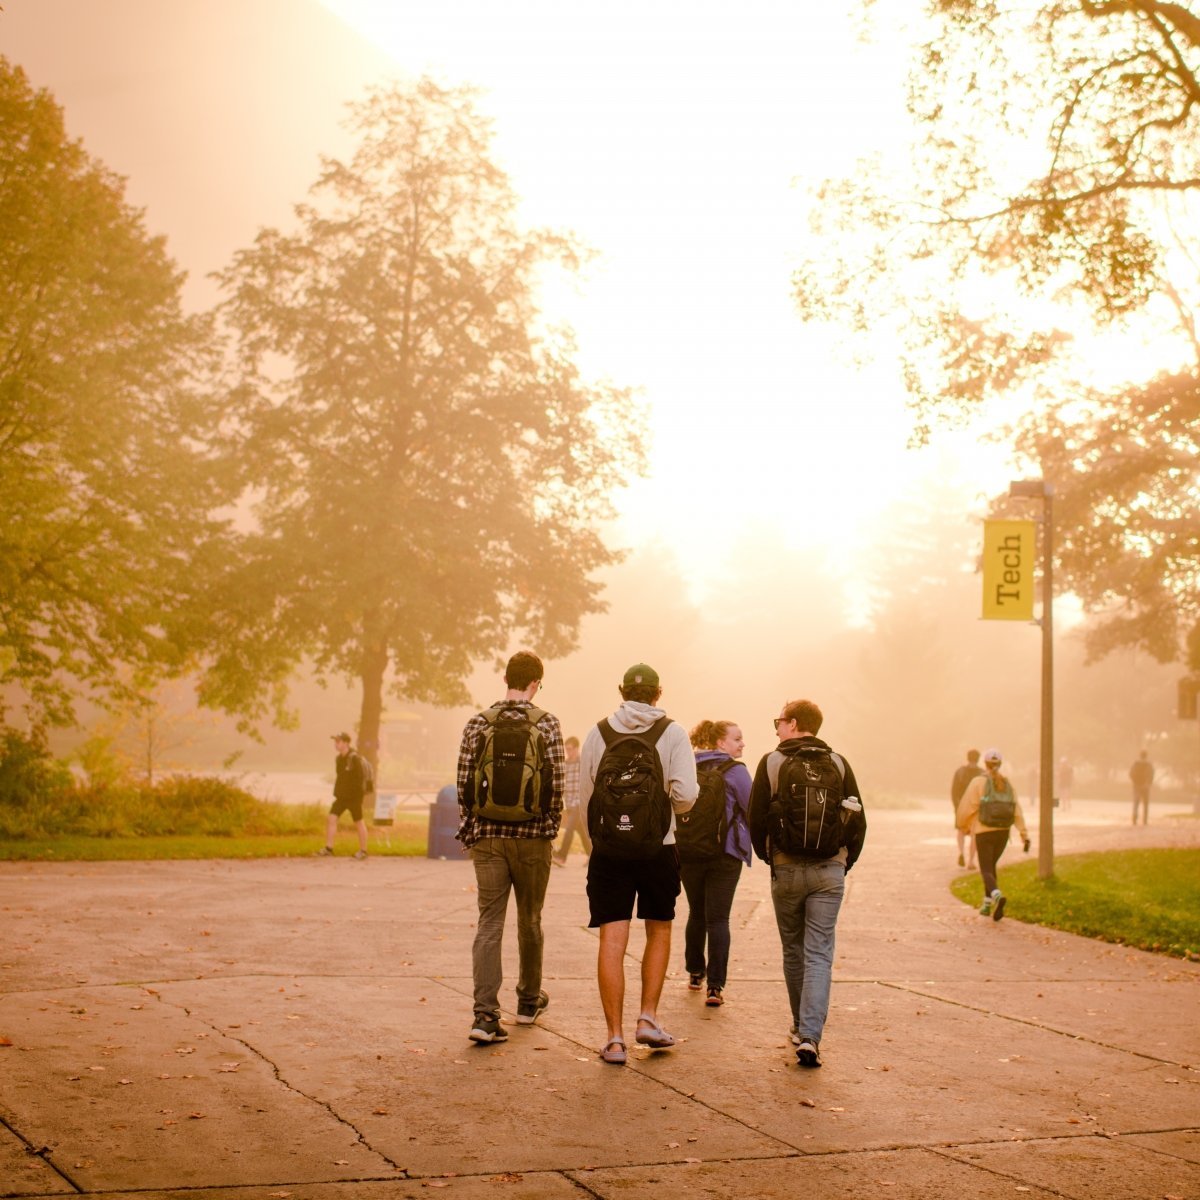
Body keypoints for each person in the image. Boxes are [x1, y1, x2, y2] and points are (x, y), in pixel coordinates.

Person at [580, 663, 698, 1065]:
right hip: (658, 848)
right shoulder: (673, 733)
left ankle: (614, 1040)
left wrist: (600, 836)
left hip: (609, 851)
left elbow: (586, 795)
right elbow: (684, 795)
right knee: (659, 930)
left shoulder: (599, 732)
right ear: (657, 693)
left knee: (612, 940)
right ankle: (647, 1018)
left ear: (622, 691)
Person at [749, 699, 866, 1070]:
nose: (777, 728)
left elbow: (755, 820)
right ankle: (811, 1037)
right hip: (829, 871)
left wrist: (771, 858)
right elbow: (859, 820)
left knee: (793, 950)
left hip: (786, 870)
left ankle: (800, 1027)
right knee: (819, 953)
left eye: (779, 722)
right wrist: (842, 864)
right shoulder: (838, 763)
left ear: (794, 723)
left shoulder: (772, 762)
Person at [455, 650, 564, 1045]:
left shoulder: (477, 724)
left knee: (489, 924)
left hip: (488, 839)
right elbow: (556, 788)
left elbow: (464, 783)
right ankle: (527, 1003)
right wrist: (547, 829)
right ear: (536, 682)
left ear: (506, 679)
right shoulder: (547, 723)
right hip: (532, 840)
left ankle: (484, 1017)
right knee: (530, 920)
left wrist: (472, 830)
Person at [679, 719, 752, 1007]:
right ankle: (715, 987)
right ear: (721, 743)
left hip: (689, 852)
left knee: (696, 911)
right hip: (725, 854)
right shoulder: (736, 772)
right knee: (718, 918)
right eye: (737, 739)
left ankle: (695, 973)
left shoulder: (687, 767)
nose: (742, 743)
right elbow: (752, 809)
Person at [956, 747, 1030, 921]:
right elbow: (1016, 809)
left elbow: (968, 806)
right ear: (1000, 764)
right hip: (1003, 833)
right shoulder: (1007, 783)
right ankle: (987, 904)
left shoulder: (978, 782)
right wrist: (1023, 833)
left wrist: (963, 825)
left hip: (984, 832)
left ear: (986, 763)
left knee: (986, 869)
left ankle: (996, 895)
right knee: (991, 867)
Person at [315, 732, 370, 859]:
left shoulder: (354, 758)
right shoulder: (339, 759)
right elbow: (341, 777)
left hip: (354, 797)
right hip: (341, 797)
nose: (336, 744)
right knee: (331, 818)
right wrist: (339, 792)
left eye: (338, 742)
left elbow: (359, 778)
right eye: (335, 742)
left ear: (346, 743)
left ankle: (363, 851)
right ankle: (329, 848)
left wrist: (357, 796)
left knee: (359, 822)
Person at [551, 736, 589, 865]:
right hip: (570, 804)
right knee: (581, 831)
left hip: (579, 803)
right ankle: (594, 856)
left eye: (570, 749)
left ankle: (561, 856)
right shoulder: (565, 764)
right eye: (566, 749)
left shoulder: (582, 763)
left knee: (569, 830)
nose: (568, 752)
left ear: (577, 748)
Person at [949, 749, 984, 868]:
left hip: (961, 807)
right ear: (978, 759)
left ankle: (961, 852)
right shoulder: (981, 773)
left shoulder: (960, 772)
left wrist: (956, 806)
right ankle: (971, 861)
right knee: (974, 834)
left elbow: (954, 791)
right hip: (976, 808)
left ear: (967, 758)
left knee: (960, 831)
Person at [1130, 750, 1154, 825]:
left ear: (1140, 755)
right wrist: (1148, 783)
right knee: (1145, 803)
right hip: (1145, 786)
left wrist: (1134, 782)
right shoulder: (1149, 764)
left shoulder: (1135, 764)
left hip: (1136, 785)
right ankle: (1145, 820)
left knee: (1136, 802)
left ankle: (1134, 818)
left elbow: (1131, 773)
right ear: (1146, 756)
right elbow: (1151, 775)